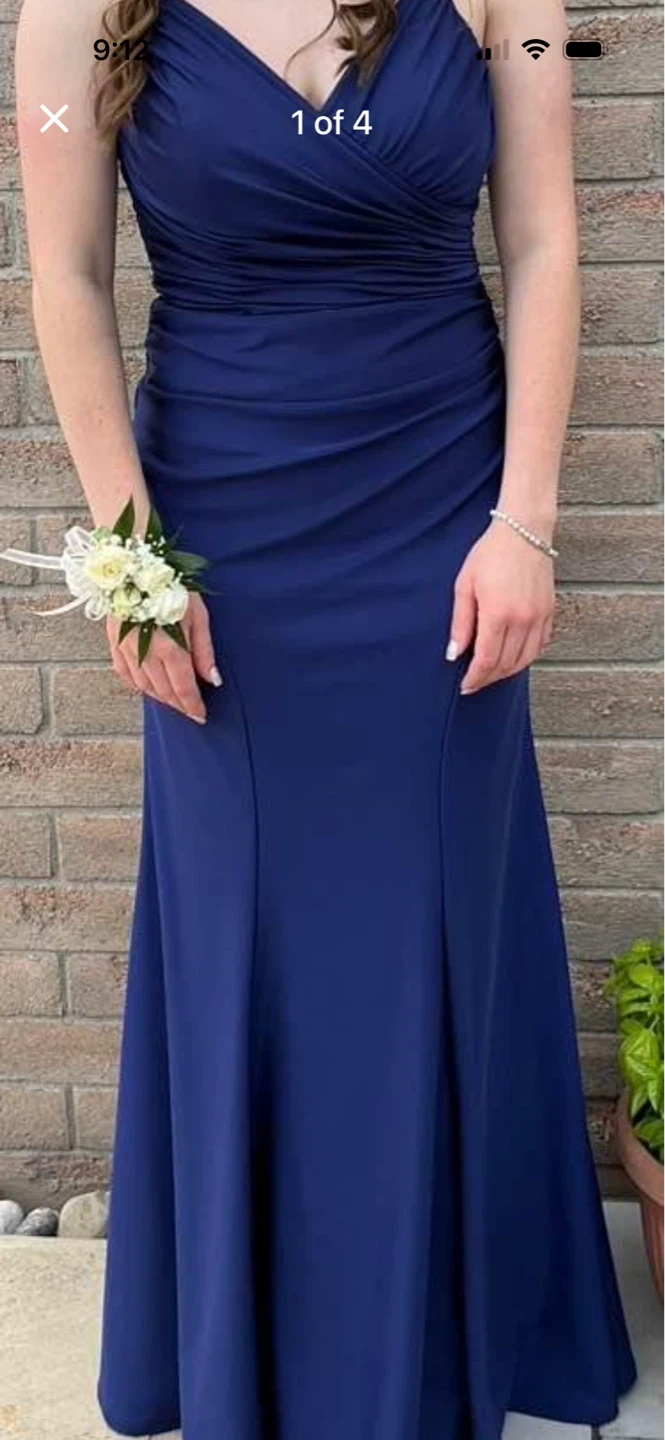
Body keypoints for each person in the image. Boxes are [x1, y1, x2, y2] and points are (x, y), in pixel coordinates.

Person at [15, 0, 637, 1435]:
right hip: (220, 539)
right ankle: (256, 1347)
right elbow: (66, 275)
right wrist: (134, 557)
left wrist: (526, 525)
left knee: (438, 911)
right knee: (244, 923)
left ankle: (442, 1341)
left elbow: (544, 242)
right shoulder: (80, 11)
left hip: (445, 520)